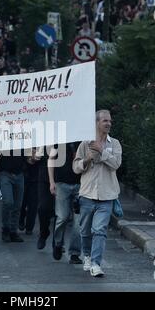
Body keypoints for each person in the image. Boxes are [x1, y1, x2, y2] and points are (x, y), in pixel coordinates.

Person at [72, 110, 122, 277]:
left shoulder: (114, 144)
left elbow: (116, 164)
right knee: (85, 231)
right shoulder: (85, 143)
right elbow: (75, 167)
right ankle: (86, 255)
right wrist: (86, 159)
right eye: (104, 121)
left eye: (110, 121)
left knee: (99, 230)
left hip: (107, 196)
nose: (108, 123)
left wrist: (102, 150)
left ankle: (96, 263)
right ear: (96, 123)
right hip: (87, 194)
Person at [48, 142, 82, 265]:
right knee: (62, 217)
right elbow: (51, 160)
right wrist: (52, 182)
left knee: (78, 221)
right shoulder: (59, 140)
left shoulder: (84, 141)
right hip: (61, 184)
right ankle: (58, 243)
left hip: (80, 185)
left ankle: (74, 253)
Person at [0, 150, 31, 243]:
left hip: (19, 174)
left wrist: (32, 157)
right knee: (8, 202)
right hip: (5, 174)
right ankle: (6, 229)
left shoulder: (23, 140)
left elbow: (29, 159)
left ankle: (13, 231)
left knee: (17, 205)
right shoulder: (3, 139)